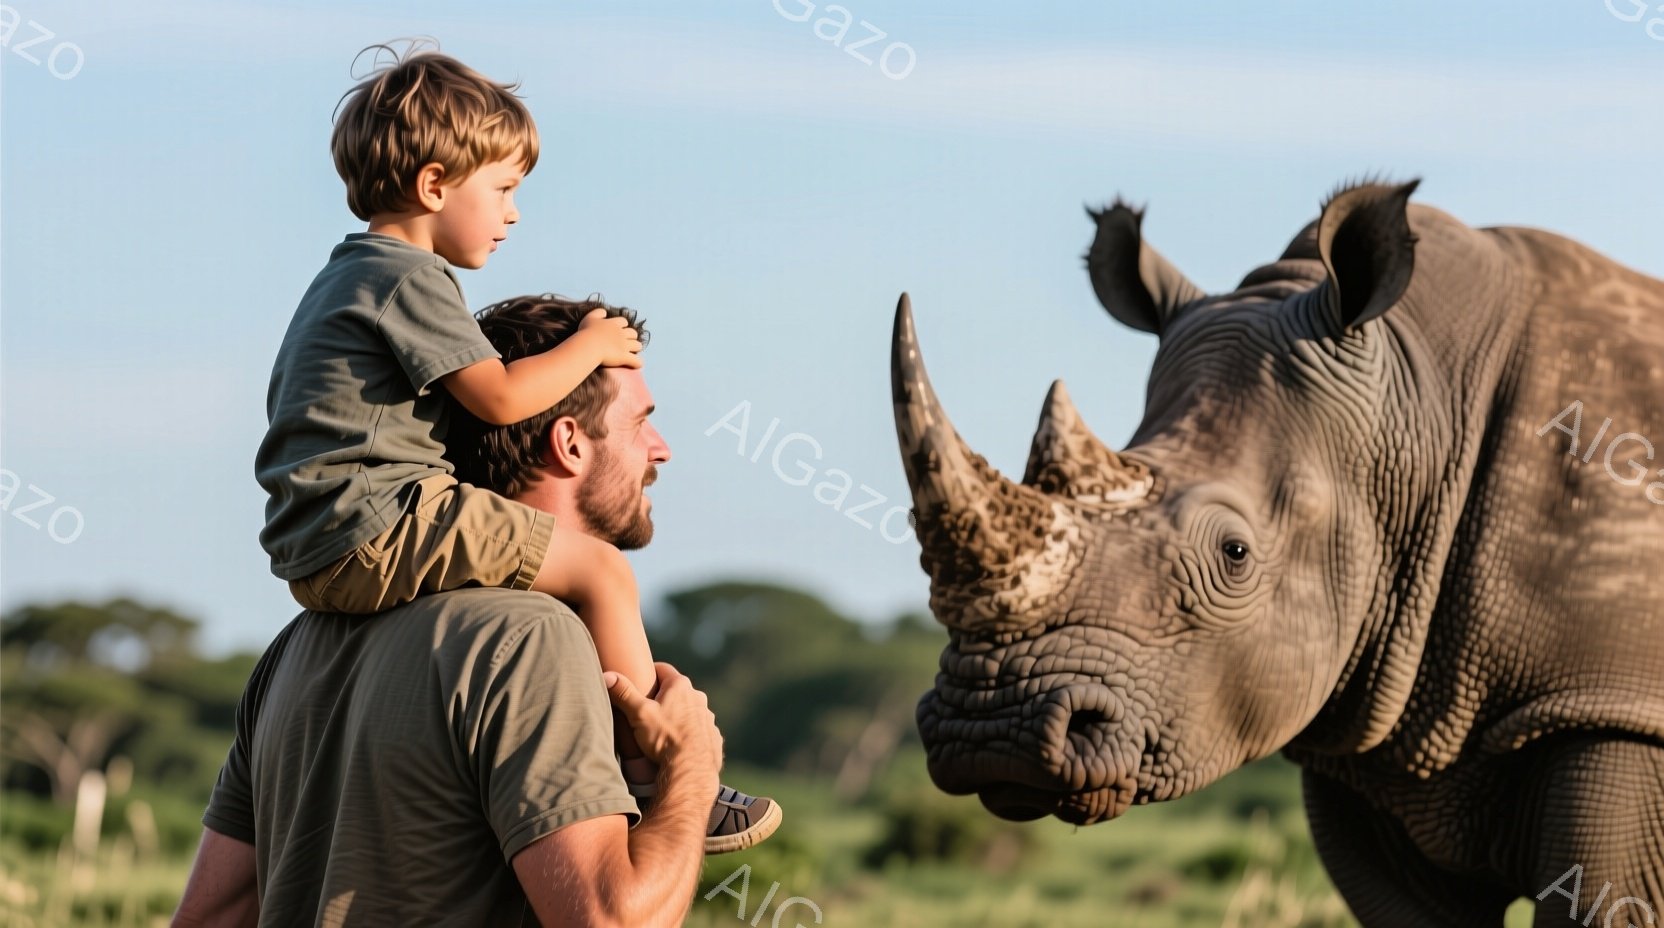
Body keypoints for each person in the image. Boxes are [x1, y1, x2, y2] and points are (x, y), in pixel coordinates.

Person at [252, 41, 776, 850]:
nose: (513, 213)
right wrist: (591, 346)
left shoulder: (337, 279)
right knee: (597, 569)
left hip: (314, 544)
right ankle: (653, 769)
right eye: (502, 189)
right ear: (433, 186)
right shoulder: (409, 276)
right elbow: (498, 399)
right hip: (384, 516)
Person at [176, 295, 744, 926]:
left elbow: (208, 917)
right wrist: (689, 771)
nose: (660, 450)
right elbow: (607, 921)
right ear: (570, 443)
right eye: (641, 424)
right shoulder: (533, 639)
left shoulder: (297, 646)